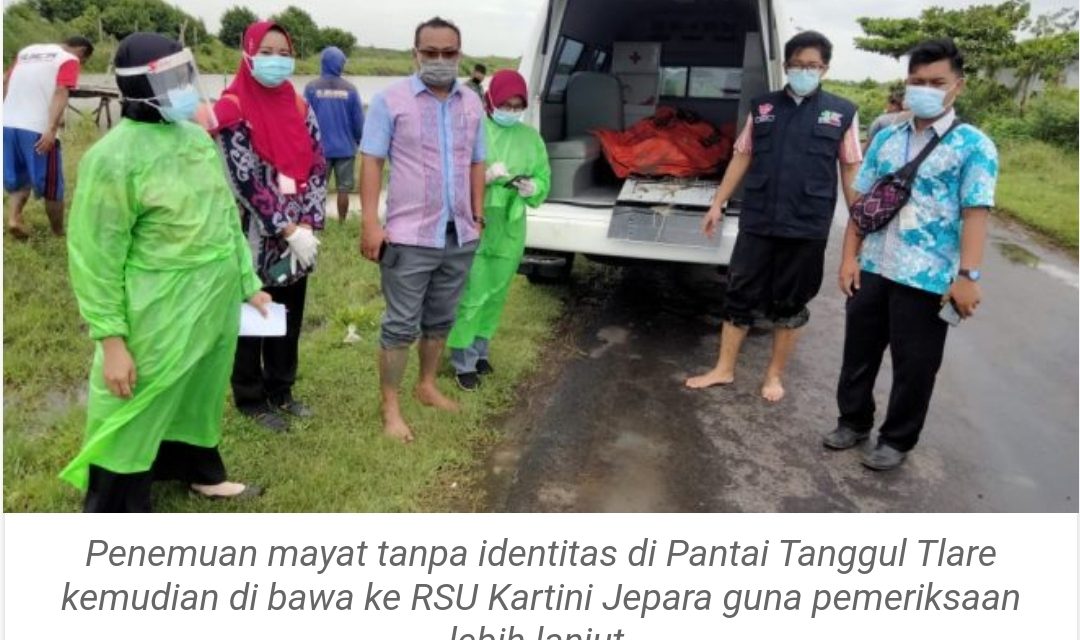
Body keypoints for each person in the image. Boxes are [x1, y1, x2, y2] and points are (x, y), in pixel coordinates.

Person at [61, 33, 269, 512]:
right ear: (141, 87)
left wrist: (247, 283)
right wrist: (111, 340)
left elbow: (223, 217)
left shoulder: (194, 138)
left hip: (213, 299)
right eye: (174, 79)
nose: (187, 88)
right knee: (135, 399)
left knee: (200, 390)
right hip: (158, 306)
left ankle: (198, 472)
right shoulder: (112, 158)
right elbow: (95, 257)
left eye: (186, 75)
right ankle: (118, 504)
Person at [826, 38, 998, 470]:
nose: (925, 89)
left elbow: (975, 214)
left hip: (927, 276)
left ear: (956, 85)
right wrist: (849, 258)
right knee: (859, 352)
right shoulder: (886, 137)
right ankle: (853, 421)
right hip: (874, 266)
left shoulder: (975, 146)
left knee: (915, 364)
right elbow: (862, 204)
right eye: (916, 81)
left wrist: (968, 276)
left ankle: (897, 439)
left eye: (935, 81)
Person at [686, 31, 862, 402]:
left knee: (791, 302)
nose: (804, 71)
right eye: (797, 65)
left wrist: (859, 227)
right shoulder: (762, 107)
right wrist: (717, 202)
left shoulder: (842, 113)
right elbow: (742, 155)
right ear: (786, 66)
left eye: (812, 66)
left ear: (825, 69)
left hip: (807, 224)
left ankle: (773, 376)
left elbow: (849, 169)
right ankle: (723, 369)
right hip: (759, 218)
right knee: (739, 292)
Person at [359, 16, 486, 443]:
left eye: (448, 53)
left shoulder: (471, 103)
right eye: (429, 52)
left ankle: (427, 384)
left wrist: (478, 214)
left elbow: (476, 161)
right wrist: (371, 223)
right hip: (409, 236)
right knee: (400, 324)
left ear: (459, 55)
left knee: (441, 318)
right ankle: (390, 405)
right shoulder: (390, 101)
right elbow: (372, 160)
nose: (439, 60)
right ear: (415, 54)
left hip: (459, 234)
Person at [213, 21, 328, 433]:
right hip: (255, 236)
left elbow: (317, 163)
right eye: (268, 51)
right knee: (253, 316)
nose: (277, 59)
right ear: (248, 52)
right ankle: (250, 397)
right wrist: (284, 227)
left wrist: (310, 224)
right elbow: (243, 178)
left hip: (299, 234)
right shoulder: (232, 106)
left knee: (289, 313)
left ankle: (282, 390)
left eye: (284, 52)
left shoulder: (298, 105)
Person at [447, 70, 550, 390]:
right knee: (472, 295)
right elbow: (452, 176)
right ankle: (461, 360)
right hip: (478, 222)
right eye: (506, 104)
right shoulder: (474, 130)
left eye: (518, 105)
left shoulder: (530, 137)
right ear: (491, 101)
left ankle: (479, 352)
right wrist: (484, 177)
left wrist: (533, 187)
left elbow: (544, 178)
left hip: (510, 226)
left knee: (496, 294)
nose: (512, 110)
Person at [3, 36, 93, 239]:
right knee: (53, 185)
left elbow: (6, 80)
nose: (82, 64)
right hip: (36, 129)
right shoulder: (68, 59)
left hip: (8, 124)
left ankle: (14, 218)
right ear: (81, 51)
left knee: (20, 176)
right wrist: (51, 129)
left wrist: (7, 111)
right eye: (84, 60)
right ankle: (58, 233)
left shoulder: (28, 51)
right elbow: (61, 91)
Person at [305, 46, 364, 223]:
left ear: (323, 63)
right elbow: (358, 121)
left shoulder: (311, 88)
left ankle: (316, 220)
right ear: (340, 64)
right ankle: (341, 222)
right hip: (345, 148)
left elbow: (304, 118)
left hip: (319, 149)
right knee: (343, 189)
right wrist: (360, 141)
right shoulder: (351, 89)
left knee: (317, 187)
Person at [864, 83, 908, 152]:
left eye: (888, 104)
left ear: (893, 105)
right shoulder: (914, 118)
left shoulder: (881, 120)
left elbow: (870, 144)